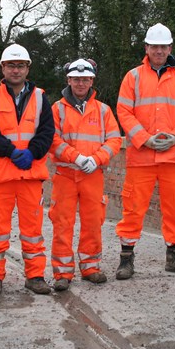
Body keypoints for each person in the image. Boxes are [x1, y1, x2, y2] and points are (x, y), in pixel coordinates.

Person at [115, 23, 175, 279]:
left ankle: (174, 256)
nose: (159, 51)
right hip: (141, 156)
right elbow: (124, 111)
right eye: (154, 46)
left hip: (173, 156)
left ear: (170, 48)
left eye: (163, 46)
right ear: (146, 48)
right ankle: (126, 258)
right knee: (133, 207)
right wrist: (144, 139)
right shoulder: (133, 77)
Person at [0, 43, 54, 296]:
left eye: (20, 65)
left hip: (30, 175)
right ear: (3, 67)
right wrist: (12, 152)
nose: (15, 70)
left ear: (27, 68)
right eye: (11, 65)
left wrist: (33, 152)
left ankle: (35, 276)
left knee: (32, 231)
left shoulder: (41, 97)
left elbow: (47, 132)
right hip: (1, 175)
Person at [48, 59, 122, 292]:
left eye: (85, 79)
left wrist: (96, 159)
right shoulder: (57, 109)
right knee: (62, 223)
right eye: (76, 79)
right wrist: (76, 158)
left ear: (92, 81)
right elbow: (52, 139)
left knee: (93, 222)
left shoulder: (103, 110)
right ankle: (62, 272)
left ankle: (91, 267)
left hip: (92, 175)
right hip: (66, 174)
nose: (81, 83)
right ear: (68, 80)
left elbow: (114, 139)